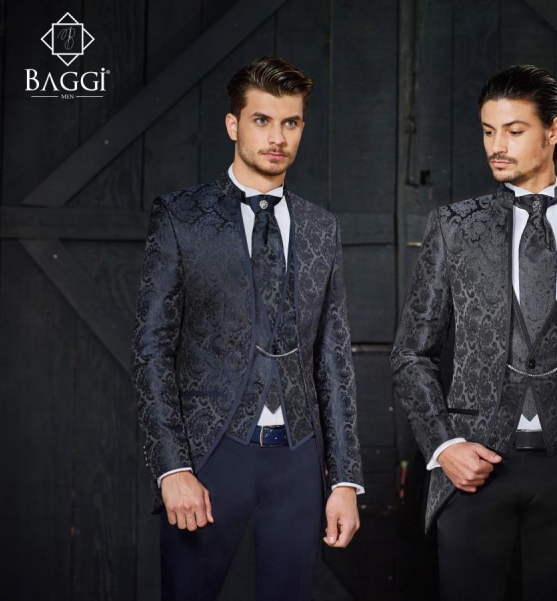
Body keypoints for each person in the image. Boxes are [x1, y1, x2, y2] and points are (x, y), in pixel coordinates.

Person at [390, 64, 557, 600]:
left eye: (514, 130)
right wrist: (444, 446)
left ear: (553, 130)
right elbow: (411, 353)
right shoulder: (454, 227)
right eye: (488, 131)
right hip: (473, 471)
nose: (496, 146)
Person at [130, 55, 364, 601]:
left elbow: (333, 357)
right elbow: (151, 350)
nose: (277, 137)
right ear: (233, 125)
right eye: (262, 120)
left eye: (291, 122)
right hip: (209, 454)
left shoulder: (321, 227)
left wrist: (344, 479)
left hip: (298, 457)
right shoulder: (181, 216)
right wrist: (172, 469)